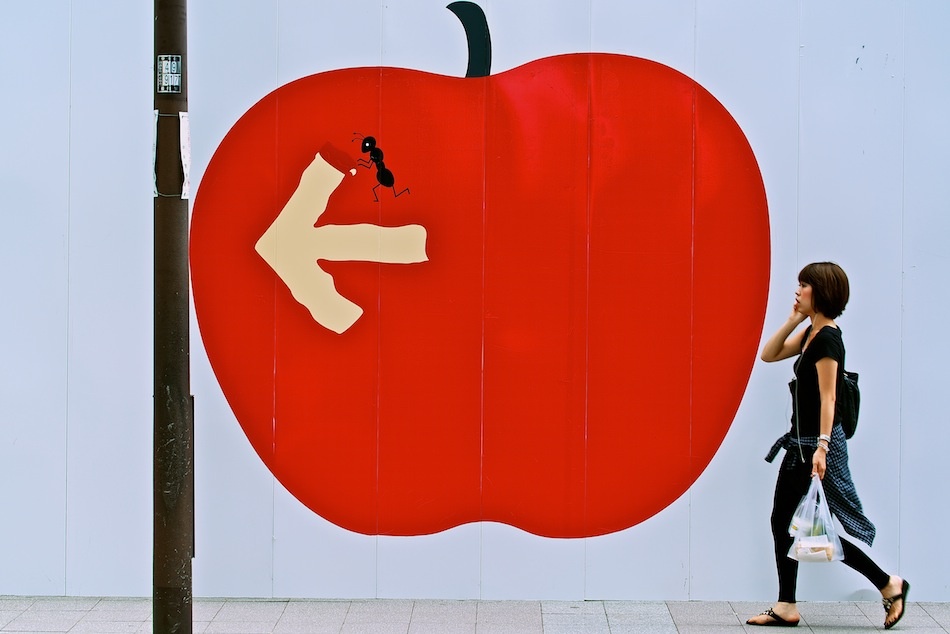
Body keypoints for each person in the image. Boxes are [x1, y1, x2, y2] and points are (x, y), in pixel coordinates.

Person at [747, 262, 909, 629]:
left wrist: (821, 449)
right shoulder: (811, 333)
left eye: (804, 285)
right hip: (801, 444)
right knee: (790, 524)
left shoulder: (828, 340)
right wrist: (793, 319)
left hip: (815, 447)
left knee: (811, 529)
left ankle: (888, 584)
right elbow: (769, 354)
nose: (797, 290)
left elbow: (828, 398)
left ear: (820, 292)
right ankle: (788, 604)